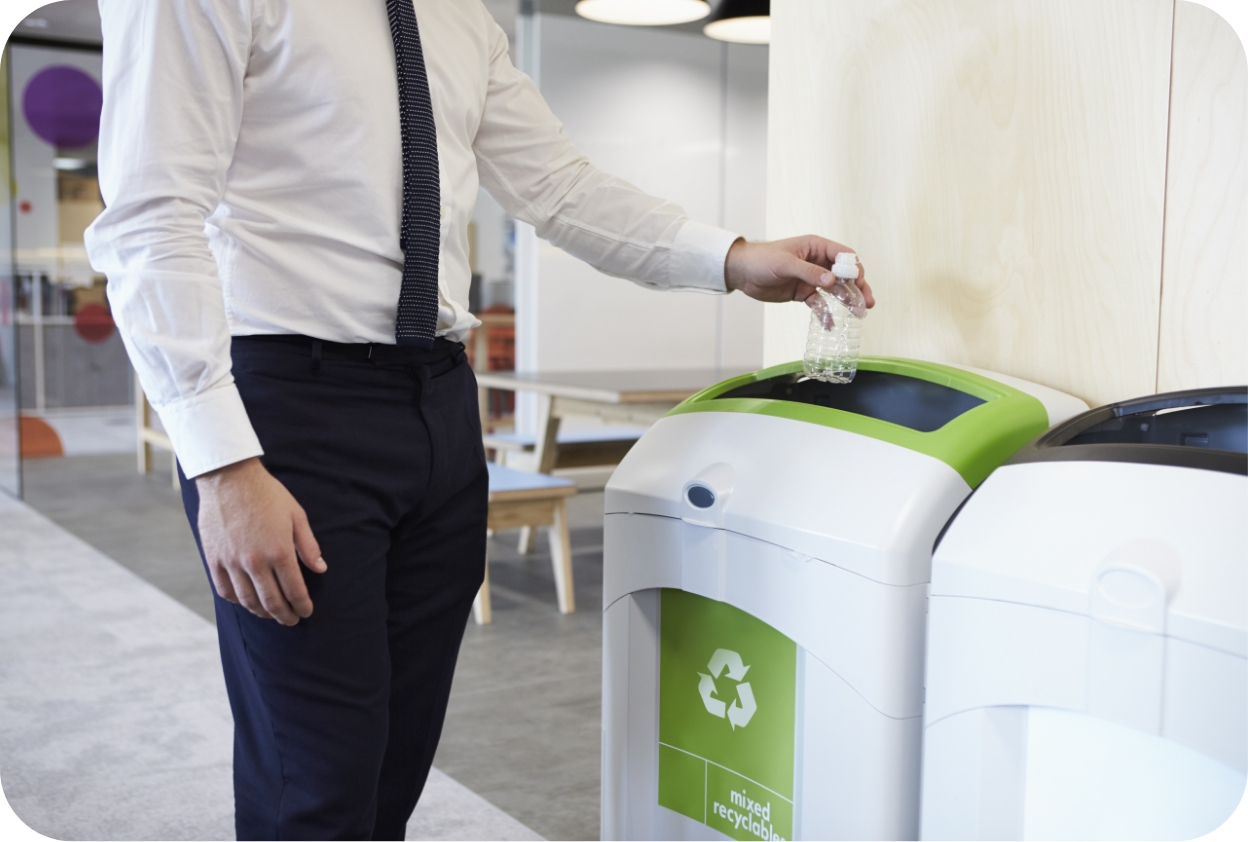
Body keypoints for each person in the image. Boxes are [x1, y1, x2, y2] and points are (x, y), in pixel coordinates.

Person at [85, 1, 874, 839]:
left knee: (394, 761)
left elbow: (559, 188)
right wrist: (222, 466)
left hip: (439, 403)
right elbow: (152, 216)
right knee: (318, 778)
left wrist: (731, 258)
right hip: (291, 410)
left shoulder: (455, 13)